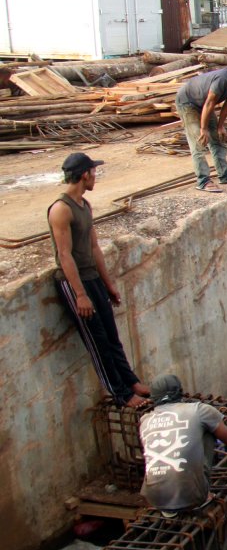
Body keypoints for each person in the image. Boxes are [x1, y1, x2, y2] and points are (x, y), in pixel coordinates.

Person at [48, 153, 151, 408]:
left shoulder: (84, 205)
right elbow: (64, 255)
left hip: (92, 277)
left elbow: (94, 248)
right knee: (98, 341)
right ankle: (121, 394)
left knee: (112, 335)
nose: (96, 177)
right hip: (74, 282)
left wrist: (107, 284)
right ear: (85, 174)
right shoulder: (61, 209)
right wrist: (80, 294)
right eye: (93, 172)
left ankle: (130, 380)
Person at [140, 374, 227, 516]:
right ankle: (203, 494)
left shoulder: (144, 420)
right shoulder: (199, 410)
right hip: (194, 497)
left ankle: (167, 498)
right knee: (208, 432)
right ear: (180, 392)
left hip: (154, 499)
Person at [175, 54, 227, 193]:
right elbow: (209, 103)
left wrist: (221, 125)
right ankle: (203, 181)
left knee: (217, 140)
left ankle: (225, 176)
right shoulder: (224, 79)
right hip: (188, 102)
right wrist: (203, 128)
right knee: (199, 141)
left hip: (203, 104)